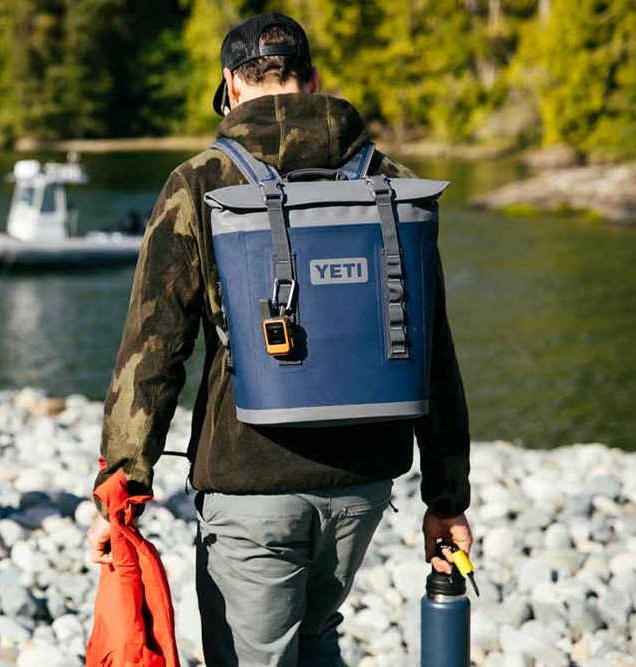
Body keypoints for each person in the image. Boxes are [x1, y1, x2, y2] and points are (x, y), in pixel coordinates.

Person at [86, 13, 474, 665]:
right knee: (319, 633)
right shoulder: (392, 178)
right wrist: (446, 496)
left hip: (250, 476)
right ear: (314, 81)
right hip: (364, 476)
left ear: (230, 88)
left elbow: (152, 351)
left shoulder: (201, 180)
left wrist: (122, 486)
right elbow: (431, 348)